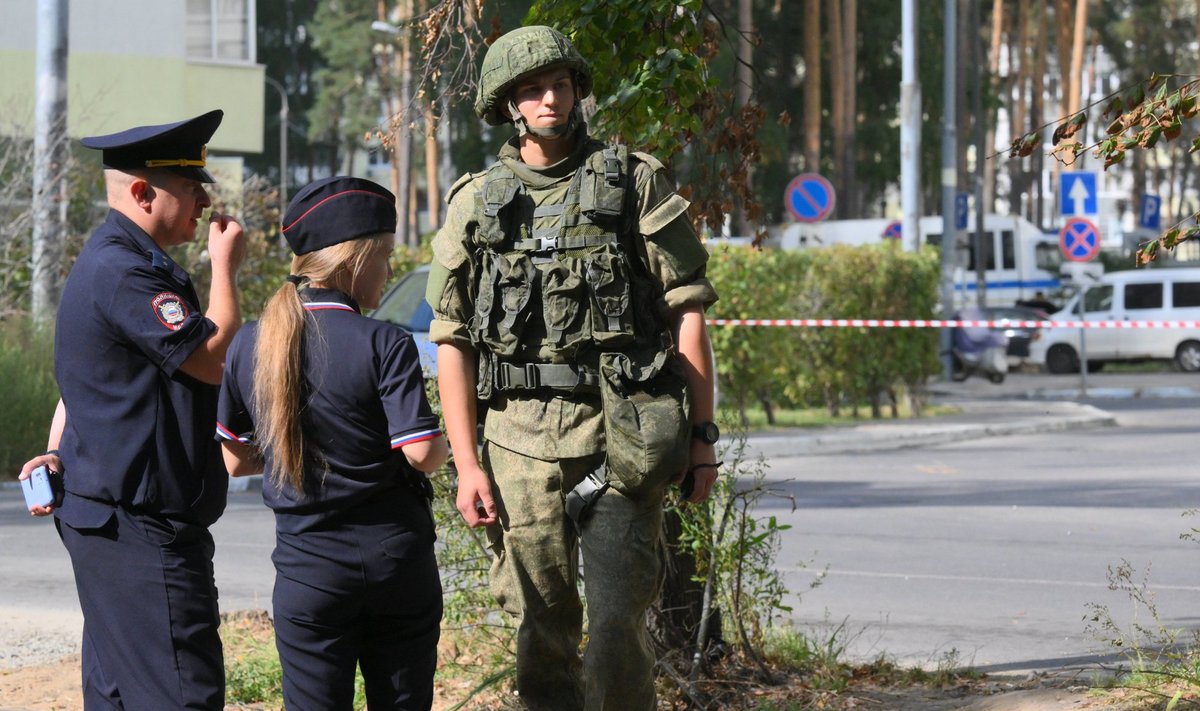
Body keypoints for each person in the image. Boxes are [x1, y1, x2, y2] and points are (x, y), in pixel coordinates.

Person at [426, 25, 720, 711]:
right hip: (518, 444)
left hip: (621, 435)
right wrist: (467, 466)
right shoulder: (475, 201)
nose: (550, 98)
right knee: (543, 628)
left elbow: (689, 310)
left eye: (560, 83)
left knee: (619, 623)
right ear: (508, 105)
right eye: (532, 89)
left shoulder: (634, 181)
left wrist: (702, 440)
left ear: (579, 89)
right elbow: (453, 342)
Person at [18, 109, 246, 709]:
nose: (204, 199)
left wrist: (55, 446)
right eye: (191, 186)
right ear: (142, 193)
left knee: (119, 694)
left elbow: (86, 379)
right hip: (139, 528)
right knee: (179, 694)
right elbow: (212, 358)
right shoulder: (125, 271)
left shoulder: (120, 260)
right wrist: (226, 268)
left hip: (113, 518)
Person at [216, 176, 448, 711]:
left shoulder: (251, 341)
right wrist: (455, 443)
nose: (388, 269)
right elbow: (420, 453)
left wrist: (293, 451)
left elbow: (233, 461)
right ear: (352, 262)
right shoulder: (385, 342)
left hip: (308, 572)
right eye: (384, 255)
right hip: (396, 563)